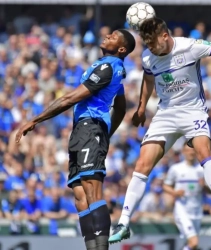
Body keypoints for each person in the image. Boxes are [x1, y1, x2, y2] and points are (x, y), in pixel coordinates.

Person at [109, 17, 211, 244]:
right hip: (165, 114)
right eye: (149, 47)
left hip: (192, 111)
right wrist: (142, 107)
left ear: (165, 36)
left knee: (204, 151)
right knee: (142, 165)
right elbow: (148, 80)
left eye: (154, 44)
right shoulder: (148, 56)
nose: (152, 50)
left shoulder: (190, 46)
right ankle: (124, 222)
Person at [15, 29, 136, 250]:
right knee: (80, 194)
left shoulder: (107, 67)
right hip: (85, 130)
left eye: (114, 36)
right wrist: (107, 132)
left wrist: (35, 119)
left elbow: (71, 98)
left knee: (91, 189)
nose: (108, 35)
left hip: (90, 128)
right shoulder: (114, 69)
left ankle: (101, 248)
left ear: (121, 48)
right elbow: (120, 107)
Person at [163, 144, 204, 250]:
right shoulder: (176, 169)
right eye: (188, 150)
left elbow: (209, 191)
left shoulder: (201, 169)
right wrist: (175, 193)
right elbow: (166, 186)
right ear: (183, 152)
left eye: (192, 150)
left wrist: (204, 185)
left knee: (192, 245)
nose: (191, 153)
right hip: (182, 210)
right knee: (194, 242)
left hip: (196, 210)